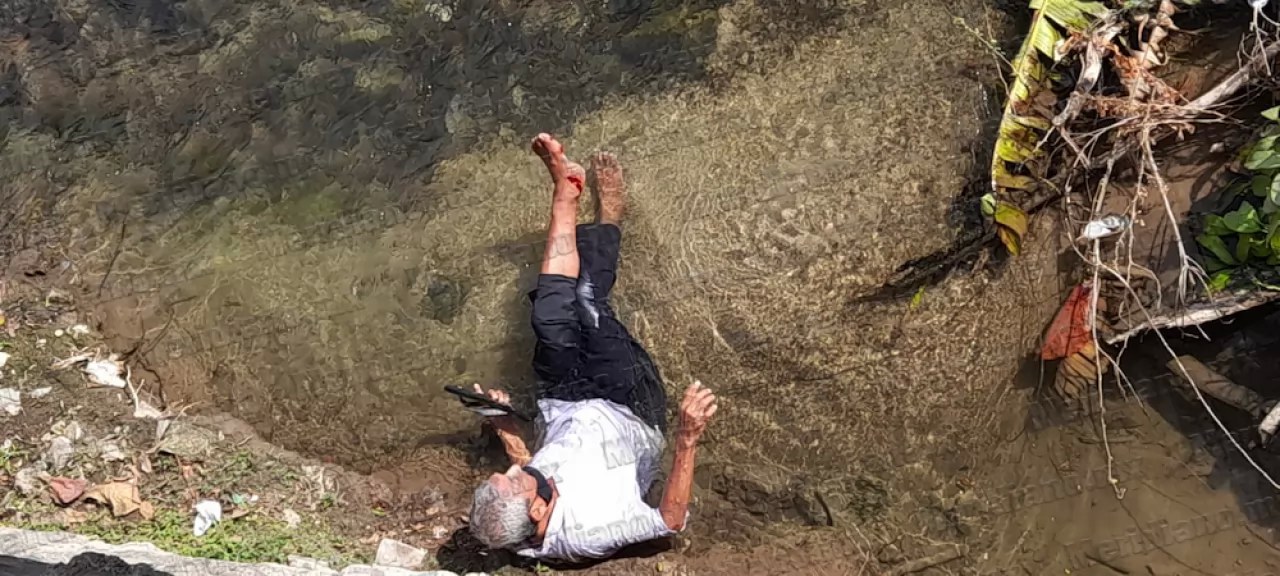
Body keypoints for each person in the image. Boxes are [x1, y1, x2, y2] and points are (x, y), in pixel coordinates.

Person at [467, 133, 718, 562]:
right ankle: (611, 217)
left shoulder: (516, 522)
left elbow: (524, 459)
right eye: (516, 480)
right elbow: (669, 520)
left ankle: (564, 196)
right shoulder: (588, 531)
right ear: (539, 509)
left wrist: (504, 424)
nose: (516, 469)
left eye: (504, 474)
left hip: (561, 400)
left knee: (549, 314)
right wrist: (688, 435)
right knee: (587, 300)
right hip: (629, 406)